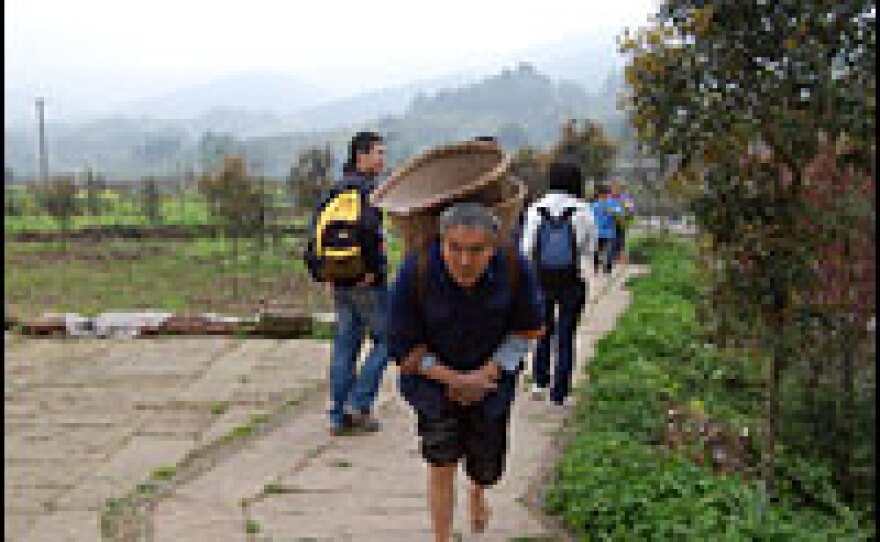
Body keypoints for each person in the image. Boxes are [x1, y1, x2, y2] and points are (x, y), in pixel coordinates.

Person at [388, 203, 544, 541]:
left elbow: (528, 329)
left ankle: (478, 490)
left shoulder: (515, 268)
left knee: (486, 465)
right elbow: (401, 343)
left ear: (494, 247)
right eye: (454, 248)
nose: (464, 261)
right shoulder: (418, 268)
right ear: (441, 242)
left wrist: (486, 373)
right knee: (441, 459)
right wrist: (454, 379)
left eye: (476, 250)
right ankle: (441, 536)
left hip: (491, 380)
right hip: (433, 382)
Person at [309, 131, 390, 435]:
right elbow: (370, 232)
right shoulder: (368, 191)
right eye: (378, 153)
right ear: (361, 155)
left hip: (340, 281)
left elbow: (314, 232)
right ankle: (359, 403)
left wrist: (323, 273)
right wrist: (373, 270)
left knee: (345, 346)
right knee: (388, 339)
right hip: (367, 282)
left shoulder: (335, 189)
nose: (382, 159)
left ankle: (337, 416)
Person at [519, 159, 596, 406]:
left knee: (542, 331)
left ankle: (539, 383)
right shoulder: (583, 210)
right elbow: (589, 247)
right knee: (566, 334)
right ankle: (560, 392)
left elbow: (527, 248)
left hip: (541, 280)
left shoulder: (536, 208)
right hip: (572, 280)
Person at [590, 184, 621, 275]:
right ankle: (596, 267)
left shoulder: (613, 203)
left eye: (606, 194)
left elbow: (620, 212)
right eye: (602, 194)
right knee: (597, 251)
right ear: (599, 195)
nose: (604, 196)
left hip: (609, 232)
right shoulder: (594, 205)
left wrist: (612, 211)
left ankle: (607, 268)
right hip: (597, 232)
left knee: (609, 251)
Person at [609, 177, 636, 265]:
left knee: (620, 241)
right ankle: (612, 258)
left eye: (617, 187)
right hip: (609, 223)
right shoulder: (608, 198)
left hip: (621, 222)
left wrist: (626, 212)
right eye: (613, 187)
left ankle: (620, 259)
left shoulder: (625, 198)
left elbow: (630, 210)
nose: (615, 189)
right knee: (611, 241)